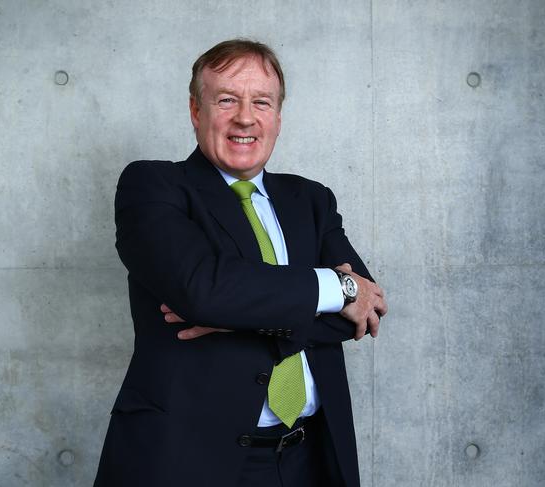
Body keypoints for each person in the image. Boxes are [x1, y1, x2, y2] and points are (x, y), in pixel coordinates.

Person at [94, 39, 387, 487]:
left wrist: (238, 316)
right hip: (188, 459)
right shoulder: (153, 187)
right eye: (227, 99)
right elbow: (204, 291)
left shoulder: (311, 200)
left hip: (311, 458)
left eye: (261, 102)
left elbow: (361, 314)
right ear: (197, 111)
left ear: (278, 117)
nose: (245, 117)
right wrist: (335, 289)